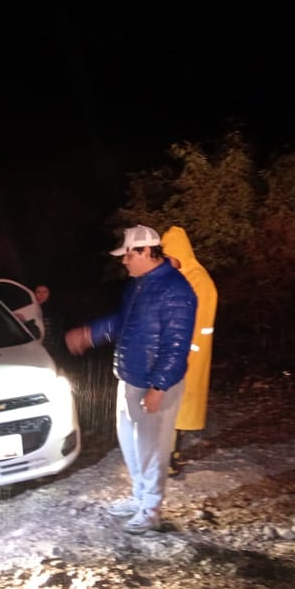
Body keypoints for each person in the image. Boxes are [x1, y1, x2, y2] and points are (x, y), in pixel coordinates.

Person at [65, 225, 196, 534]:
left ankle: (151, 510)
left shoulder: (176, 290)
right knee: (132, 444)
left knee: (152, 448)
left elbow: (176, 345)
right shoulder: (139, 285)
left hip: (155, 383)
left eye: (128, 255)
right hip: (129, 376)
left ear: (147, 251)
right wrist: (90, 334)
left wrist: (159, 386)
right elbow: (124, 323)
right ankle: (139, 497)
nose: (124, 261)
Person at [161, 226, 218, 478]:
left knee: (177, 407)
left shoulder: (199, 280)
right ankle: (167, 456)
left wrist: (187, 351)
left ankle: (169, 459)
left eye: (168, 256)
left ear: (180, 253)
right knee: (171, 407)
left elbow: (200, 322)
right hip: (175, 350)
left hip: (189, 354)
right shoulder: (178, 277)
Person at [34, 283, 67, 366]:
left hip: (51, 350)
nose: (41, 295)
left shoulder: (55, 311)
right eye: (38, 292)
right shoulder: (30, 309)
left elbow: (58, 331)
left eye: (45, 292)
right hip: (34, 348)